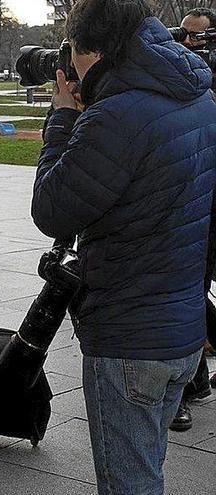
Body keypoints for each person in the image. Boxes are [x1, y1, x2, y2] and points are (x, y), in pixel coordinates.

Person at [31, 1, 216, 493]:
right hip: (182, 332)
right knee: (146, 472)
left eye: (73, 49)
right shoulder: (198, 97)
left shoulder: (114, 117)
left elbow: (51, 209)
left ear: (97, 49)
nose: (70, 62)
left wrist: (62, 120)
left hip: (128, 341)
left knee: (128, 485)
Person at [170, 6, 216, 432]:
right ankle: (189, 387)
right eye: (183, 36)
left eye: (198, 38)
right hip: (194, 206)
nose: (189, 45)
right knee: (190, 293)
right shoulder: (180, 79)